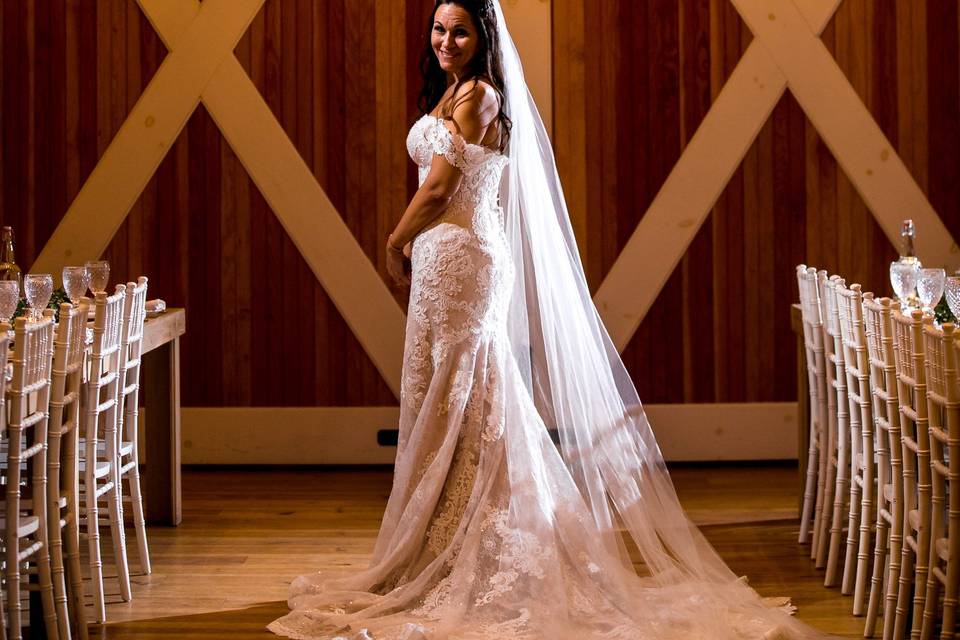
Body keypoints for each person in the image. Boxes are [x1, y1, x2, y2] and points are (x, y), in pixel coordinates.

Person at [269, 1, 827, 638]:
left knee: (470, 397)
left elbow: (440, 189)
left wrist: (394, 242)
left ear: (483, 38)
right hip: (443, 262)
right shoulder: (453, 90)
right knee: (448, 397)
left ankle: (478, 542)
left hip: (465, 259)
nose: (446, 40)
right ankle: (437, 542)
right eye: (438, 28)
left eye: (459, 30)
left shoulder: (479, 97)